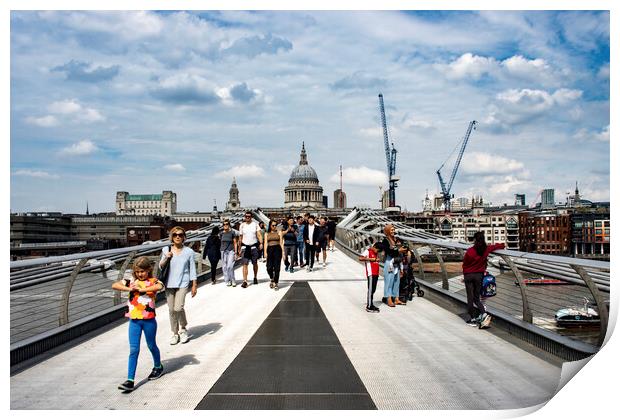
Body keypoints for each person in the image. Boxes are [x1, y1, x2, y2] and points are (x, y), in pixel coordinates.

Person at [113, 257, 164, 392]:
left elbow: (160, 286)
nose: (140, 274)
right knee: (134, 349)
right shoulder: (131, 281)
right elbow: (115, 285)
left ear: (148, 270)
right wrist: (128, 288)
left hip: (149, 321)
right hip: (134, 321)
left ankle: (158, 367)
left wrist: (142, 290)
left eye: (142, 271)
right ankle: (130, 380)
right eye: (137, 271)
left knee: (151, 345)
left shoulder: (152, 281)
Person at [159, 226, 197, 345]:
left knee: (178, 308)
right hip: (169, 283)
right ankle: (175, 333)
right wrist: (166, 257)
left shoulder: (189, 252)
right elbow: (161, 266)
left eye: (180, 235)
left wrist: (194, 285)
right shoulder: (166, 250)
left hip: (183, 282)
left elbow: (192, 269)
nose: (178, 237)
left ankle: (183, 329)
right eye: (175, 235)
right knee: (171, 309)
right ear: (171, 237)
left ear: (184, 237)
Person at [462, 232, 505, 328]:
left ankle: (472, 319)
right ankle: (484, 313)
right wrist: (502, 245)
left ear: (475, 240)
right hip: (479, 276)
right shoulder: (486, 249)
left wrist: (465, 274)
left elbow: (465, 264)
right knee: (476, 298)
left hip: (468, 275)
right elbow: (496, 246)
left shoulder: (470, 251)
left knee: (470, 297)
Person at [381, 224, 407, 307]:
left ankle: (396, 299)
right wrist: (399, 250)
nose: (393, 231)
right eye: (391, 230)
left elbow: (398, 249)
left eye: (393, 230)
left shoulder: (395, 239)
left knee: (396, 281)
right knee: (389, 281)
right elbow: (389, 252)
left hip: (397, 262)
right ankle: (388, 299)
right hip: (389, 262)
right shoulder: (385, 241)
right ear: (387, 231)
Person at [238, 211, 263, 288]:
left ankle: (255, 277)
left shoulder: (255, 225)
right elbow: (240, 237)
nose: (247, 217)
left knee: (255, 263)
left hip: (253, 247)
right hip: (245, 248)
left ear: (251, 217)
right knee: (245, 264)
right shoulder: (242, 225)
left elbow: (259, 234)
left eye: (249, 216)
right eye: (246, 216)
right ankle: (245, 281)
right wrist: (239, 248)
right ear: (244, 217)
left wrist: (261, 243)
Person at [359, 242, 382, 313]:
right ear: (374, 247)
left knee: (373, 289)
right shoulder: (368, 251)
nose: (378, 252)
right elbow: (360, 258)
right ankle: (369, 306)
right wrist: (373, 259)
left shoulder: (375, 253)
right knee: (370, 290)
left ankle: (371, 304)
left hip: (376, 273)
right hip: (371, 273)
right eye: (378, 250)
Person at [264, 220, 284, 290]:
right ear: (270, 226)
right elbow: (265, 243)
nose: (274, 227)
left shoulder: (279, 232)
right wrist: (265, 253)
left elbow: (281, 243)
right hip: (270, 250)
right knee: (269, 268)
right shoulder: (267, 233)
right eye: (273, 225)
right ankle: (272, 278)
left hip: (277, 249)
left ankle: (276, 282)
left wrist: (283, 253)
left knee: (277, 268)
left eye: (276, 225)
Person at [220, 219, 238, 287]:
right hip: (223, 251)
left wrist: (236, 253)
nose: (225, 225)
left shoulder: (232, 232)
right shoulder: (221, 233)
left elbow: (235, 243)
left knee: (230, 266)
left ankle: (233, 280)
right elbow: (220, 242)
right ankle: (227, 280)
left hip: (231, 251)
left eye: (227, 224)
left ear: (229, 225)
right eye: (224, 224)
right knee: (224, 267)